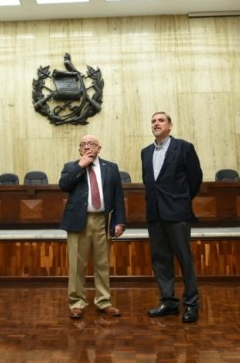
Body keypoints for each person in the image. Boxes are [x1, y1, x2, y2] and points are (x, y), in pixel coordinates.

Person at [141, 112, 203, 323]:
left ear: (170, 125)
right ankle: (168, 302)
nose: (156, 124)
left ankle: (191, 305)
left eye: (160, 120)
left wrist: (182, 200)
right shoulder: (146, 152)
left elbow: (196, 178)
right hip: (155, 214)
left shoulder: (184, 147)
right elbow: (149, 182)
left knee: (185, 259)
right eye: (153, 121)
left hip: (177, 213)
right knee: (160, 260)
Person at [59, 134, 126, 319]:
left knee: (102, 263)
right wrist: (81, 165)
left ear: (99, 148)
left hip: (103, 221)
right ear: (79, 149)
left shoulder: (110, 168)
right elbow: (64, 185)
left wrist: (120, 221)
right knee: (76, 265)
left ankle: (104, 301)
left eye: (91, 144)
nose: (87, 147)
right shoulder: (71, 167)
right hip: (78, 221)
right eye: (83, 145)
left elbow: (118, 196)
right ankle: (77, 303)